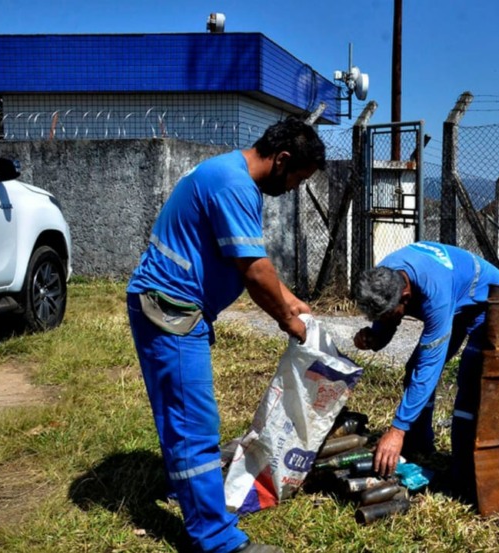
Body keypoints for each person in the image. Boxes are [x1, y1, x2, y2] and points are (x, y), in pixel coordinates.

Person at [126, 116, 325, 553]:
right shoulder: (234, 185)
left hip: (166, 305)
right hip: (171, 312)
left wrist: (290, 299)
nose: (294, 188)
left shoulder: (226, 172)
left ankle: (187, 492)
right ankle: (214, 539)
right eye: (297, 178)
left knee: (180, 418)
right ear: (282, 160)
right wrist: (289, 323)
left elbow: (247, 257)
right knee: (195, 426)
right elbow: (255, 272)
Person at [352, 241, 499, 500]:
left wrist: (396, 430)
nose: (383, 320)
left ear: (405, 297)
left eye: (387, 315)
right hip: (455, 298)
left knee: (470, 380)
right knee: (413, 368)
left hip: (488, 300)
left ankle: (465, 470)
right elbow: (388, 324)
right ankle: (419, 445)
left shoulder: (433, 293)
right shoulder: (386, 276)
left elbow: (430, 368)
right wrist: (374, 338)